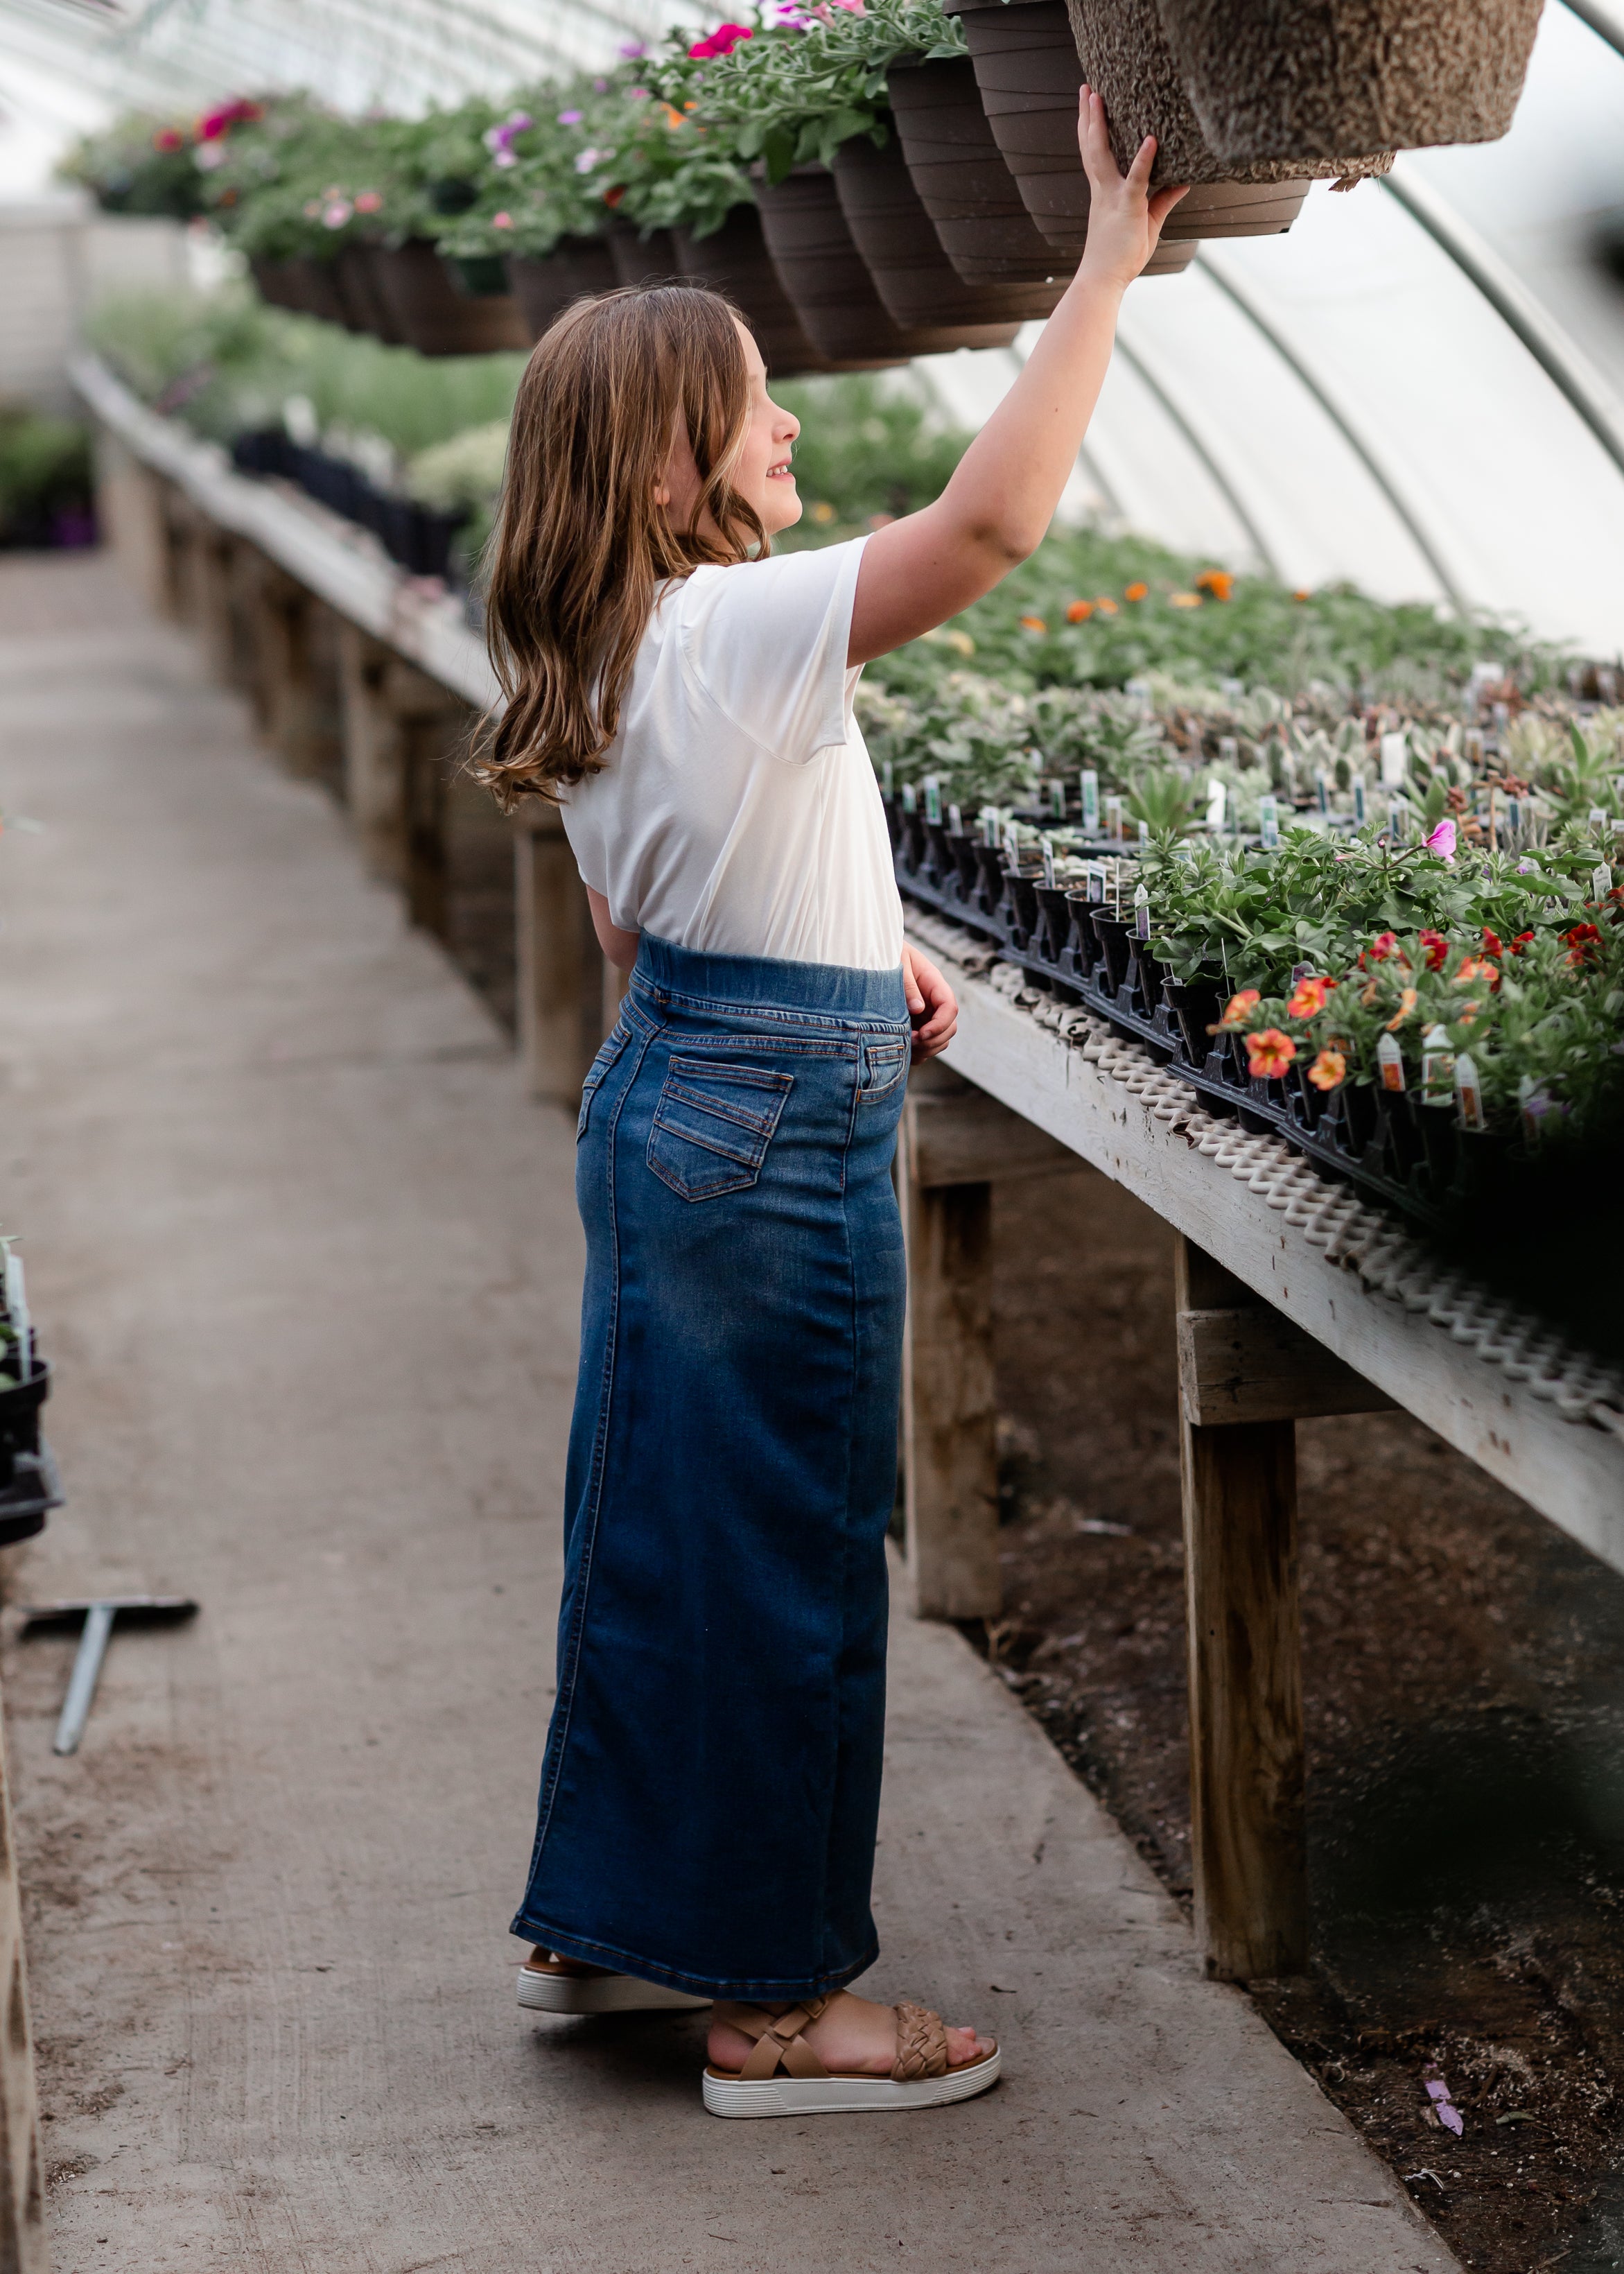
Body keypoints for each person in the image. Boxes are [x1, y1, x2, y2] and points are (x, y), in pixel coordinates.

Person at [477, 89, 1186, 2119]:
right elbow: (990, 527)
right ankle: (779, 2011)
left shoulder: (614, 650)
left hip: (681, 1094)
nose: (791, 432)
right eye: (762, 406)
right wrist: (1102, 270)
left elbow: (647, 925)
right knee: (787, 1551)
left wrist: (851, 950)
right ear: (675, 462)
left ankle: (618, 1924)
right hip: (766, 1141)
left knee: (667, 1538)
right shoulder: (730, 624)